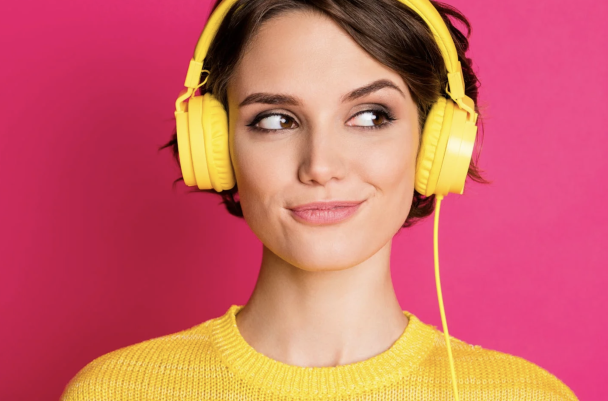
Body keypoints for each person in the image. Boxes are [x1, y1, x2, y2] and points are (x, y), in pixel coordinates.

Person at [60, 0, 579, 400]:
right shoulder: (120, 391)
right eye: (276, 121)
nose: (321, 166)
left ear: (435, 141)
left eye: (371, 116)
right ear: (215, 147)